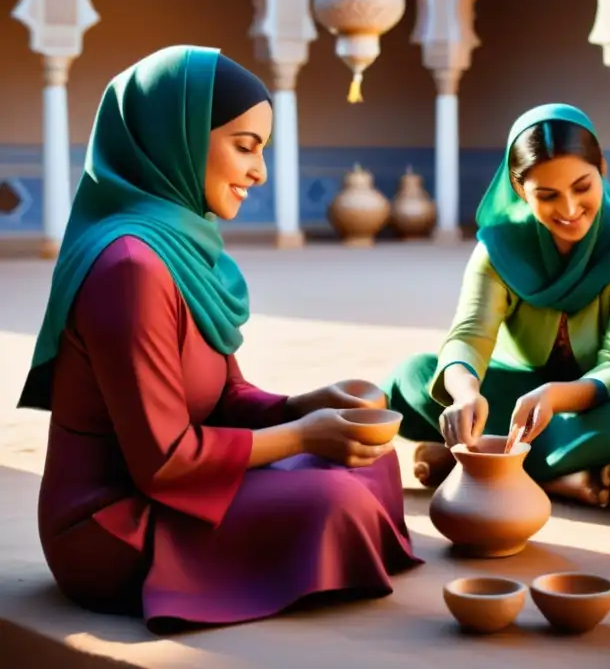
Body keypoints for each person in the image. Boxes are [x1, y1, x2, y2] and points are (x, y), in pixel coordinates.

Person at [18, 45, 421, 632]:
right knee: (339, 501)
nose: (259, 171)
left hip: (182, 481)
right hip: (117, 523)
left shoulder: (184, 242)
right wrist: (303, 436)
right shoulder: (129, 268)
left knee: (370, 467)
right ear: (175, 135)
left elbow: (225, 396)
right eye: (245, 146)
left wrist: (304, 406)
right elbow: (164, 462)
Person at [384, 103, 610, 506]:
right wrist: (465, 394)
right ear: (518, 189)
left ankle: (476, 458)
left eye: (582, 186)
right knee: (414, 376)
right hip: (516, 396)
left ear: (602, 167)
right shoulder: (501, 245)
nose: (568, 209)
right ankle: (561, 472)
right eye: (547, 195)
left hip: (595, 402)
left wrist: (555, 397)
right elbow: (470, 333)